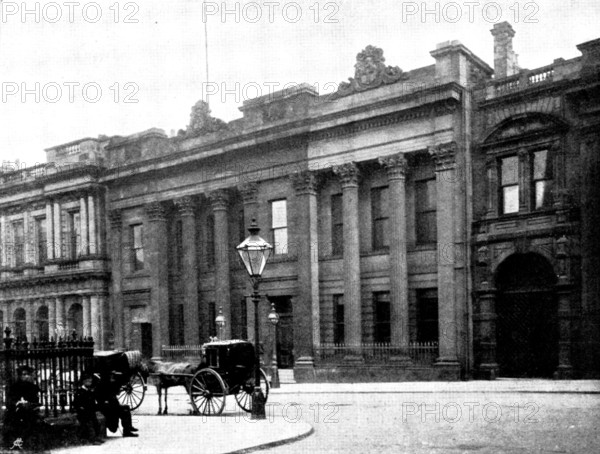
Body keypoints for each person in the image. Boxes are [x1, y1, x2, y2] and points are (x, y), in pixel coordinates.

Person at [2, 365, 47, 450]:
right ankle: (16, 443)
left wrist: (30, 404)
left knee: (38, 424)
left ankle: (34, 444)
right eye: (24, 374)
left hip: (30, 412)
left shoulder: (33, 387)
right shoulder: (13, 387)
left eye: (28, 374)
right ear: (19, 376)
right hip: (16, 412)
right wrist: (18, 403)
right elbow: (9, 402)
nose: (26, 376)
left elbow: (36, 401)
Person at [94, 371, 139, 437]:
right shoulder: (102, 385)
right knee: (124, 410)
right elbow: (102, 398)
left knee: (126, 408)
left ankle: (128, 428)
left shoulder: (108, 384)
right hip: (106, 407)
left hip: (112, 406)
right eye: (111, 376)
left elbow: (115, 393)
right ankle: (126, 430)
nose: (112, 378)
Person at [73, 373, 103, 444]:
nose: (89, 383)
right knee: (90, 424)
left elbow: (93, 402)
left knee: (96, 423)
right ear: (83, 382)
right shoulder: (80, 392)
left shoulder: (90, 391)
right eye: (88, 381)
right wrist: (81, 408)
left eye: (90, 382)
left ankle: (97, 437)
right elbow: (76, 403)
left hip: (90, 411)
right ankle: (92, 439)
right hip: (83, 413)